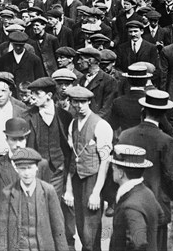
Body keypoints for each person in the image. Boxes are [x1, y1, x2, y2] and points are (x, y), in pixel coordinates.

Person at [118, 90, 173, 251]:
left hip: (127, 201)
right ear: (163, 115)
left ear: (143, 110)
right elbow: (172, 175)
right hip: (156, 204)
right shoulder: (166, 140)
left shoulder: (125, 135)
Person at [62, 85, 113, 251]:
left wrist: (96, 193)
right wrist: (68, 189)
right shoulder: (73, 124)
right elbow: (71, 159)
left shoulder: (101, 125)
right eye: (75, 102)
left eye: (83, 102)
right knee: (80, 225)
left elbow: (104, 162)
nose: (79, 106)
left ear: (89, 101)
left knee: (91, 230)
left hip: (92, 179)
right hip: (76, 177)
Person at [0, 147, 68, 251]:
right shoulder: (8, 193)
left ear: (36, 168)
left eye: (30, 168)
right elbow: (2, 232)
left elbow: (58, 229)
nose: (27, 173)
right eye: (23, 168)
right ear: (17, 169)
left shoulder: (48, 191)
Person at [109, 144, 163, 251]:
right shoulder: (147, 192)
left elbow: (139, 243)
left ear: (120, 173)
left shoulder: (130, 206)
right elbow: (160, 217)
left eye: (114, 168)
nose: (112, 170)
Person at [24, 77, 71, 197]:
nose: (32, 96)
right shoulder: (27, 116)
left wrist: (63, 166)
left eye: (37, 93)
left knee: (55, 204)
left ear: (49, 95)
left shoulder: (65, 116)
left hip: (58, 169)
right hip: (36, 170)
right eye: (32, 93)